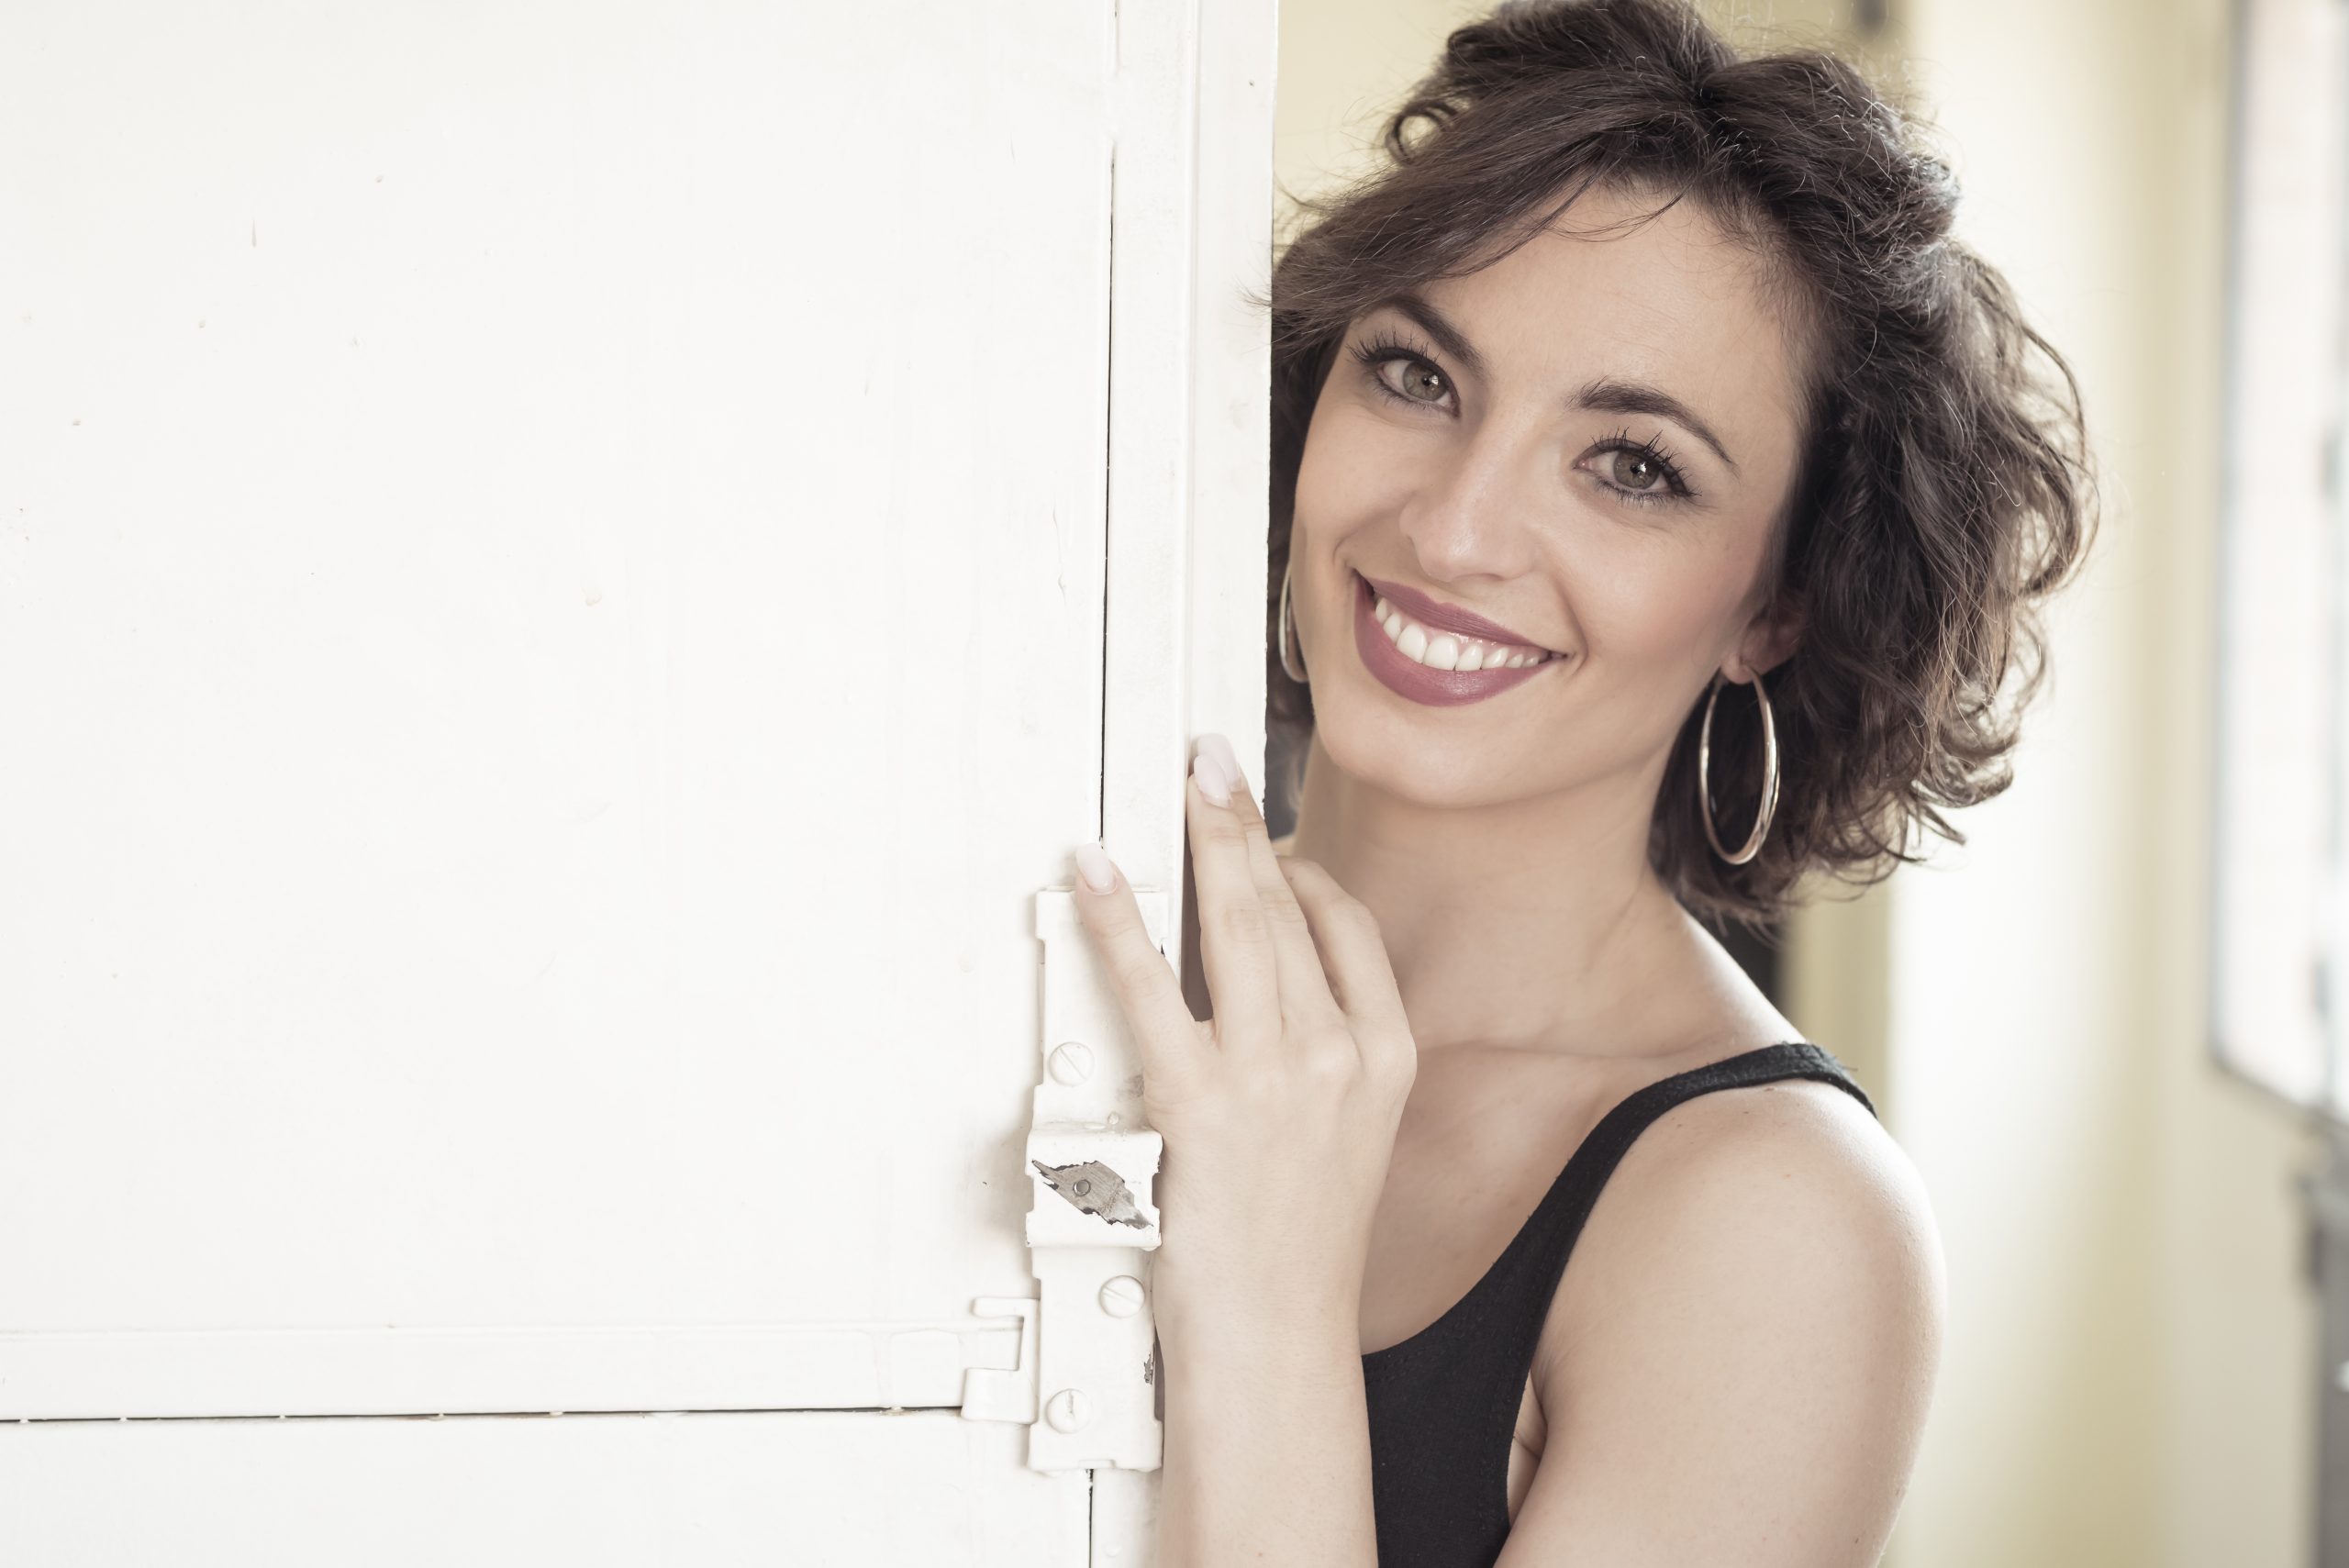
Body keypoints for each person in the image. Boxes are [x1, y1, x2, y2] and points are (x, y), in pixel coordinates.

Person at [1069, 0, 2098, 1562]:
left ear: (1779, 605)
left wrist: (1269, 1295)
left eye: (1633, 467)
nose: (1455, 528)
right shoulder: (1071, 946)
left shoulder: (1780, 1224)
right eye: (1417, 374)